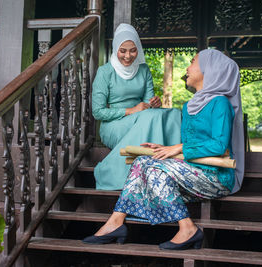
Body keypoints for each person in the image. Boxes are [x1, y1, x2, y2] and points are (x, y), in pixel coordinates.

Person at [83, 49, 245, 250]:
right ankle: (115, 222)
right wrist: (165, 148)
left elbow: (218, 145)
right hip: (191, 174)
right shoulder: (189, 106)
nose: (187, 67)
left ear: (208, 69)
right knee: (141, 161)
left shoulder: (220, 103)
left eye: (193, 61)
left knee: (154, 171)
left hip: (215, 177)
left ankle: (187, 228)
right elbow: (190, 145)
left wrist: (177, 148)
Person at [92, 23, 181, 190]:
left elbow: (148, 105)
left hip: (143, 117)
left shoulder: (143, 69)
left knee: (174, 113)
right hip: (114, 125)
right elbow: (98, 112)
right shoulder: (105, 72)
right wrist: (130, 111)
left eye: (132, 50)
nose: (127, 56)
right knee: (150, 116)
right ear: (115, 49)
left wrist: (154, 103)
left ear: (138, 48)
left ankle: (172, 170)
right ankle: (114, 174)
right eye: (122, 50)